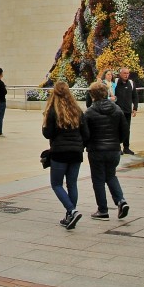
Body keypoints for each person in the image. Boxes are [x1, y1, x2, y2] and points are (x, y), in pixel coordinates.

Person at [82, 81, 129, 221]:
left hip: (96, 150)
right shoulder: (117, 109)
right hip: (114, 150)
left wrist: (87, 144)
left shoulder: (89, 112)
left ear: (92, 95)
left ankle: (103, 210)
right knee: (111, 176)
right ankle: (121, 200)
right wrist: (117, 142)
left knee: (98, 180)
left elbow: (85, 134)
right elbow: (125, 130)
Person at [42, 81, 86, 230]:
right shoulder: (77, 111)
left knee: (56, 184)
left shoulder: (52, 111)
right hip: (76, 153)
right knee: (72, 183)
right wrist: (80, 145)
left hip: (59, 153)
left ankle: (72, 211)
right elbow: (86, 133)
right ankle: (70, 215)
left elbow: (47, 133)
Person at [113, 67, 138, 155]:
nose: (126, 75)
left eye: (127, 73)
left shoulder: (131, 83)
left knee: (126, 129)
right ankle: (117, 147)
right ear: (120, 74)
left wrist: (135, 108)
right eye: (124, 73)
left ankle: (126, 148)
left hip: (127, 111)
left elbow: (135, 96)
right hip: (117, 111)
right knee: (117, 129)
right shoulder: (115, 82)